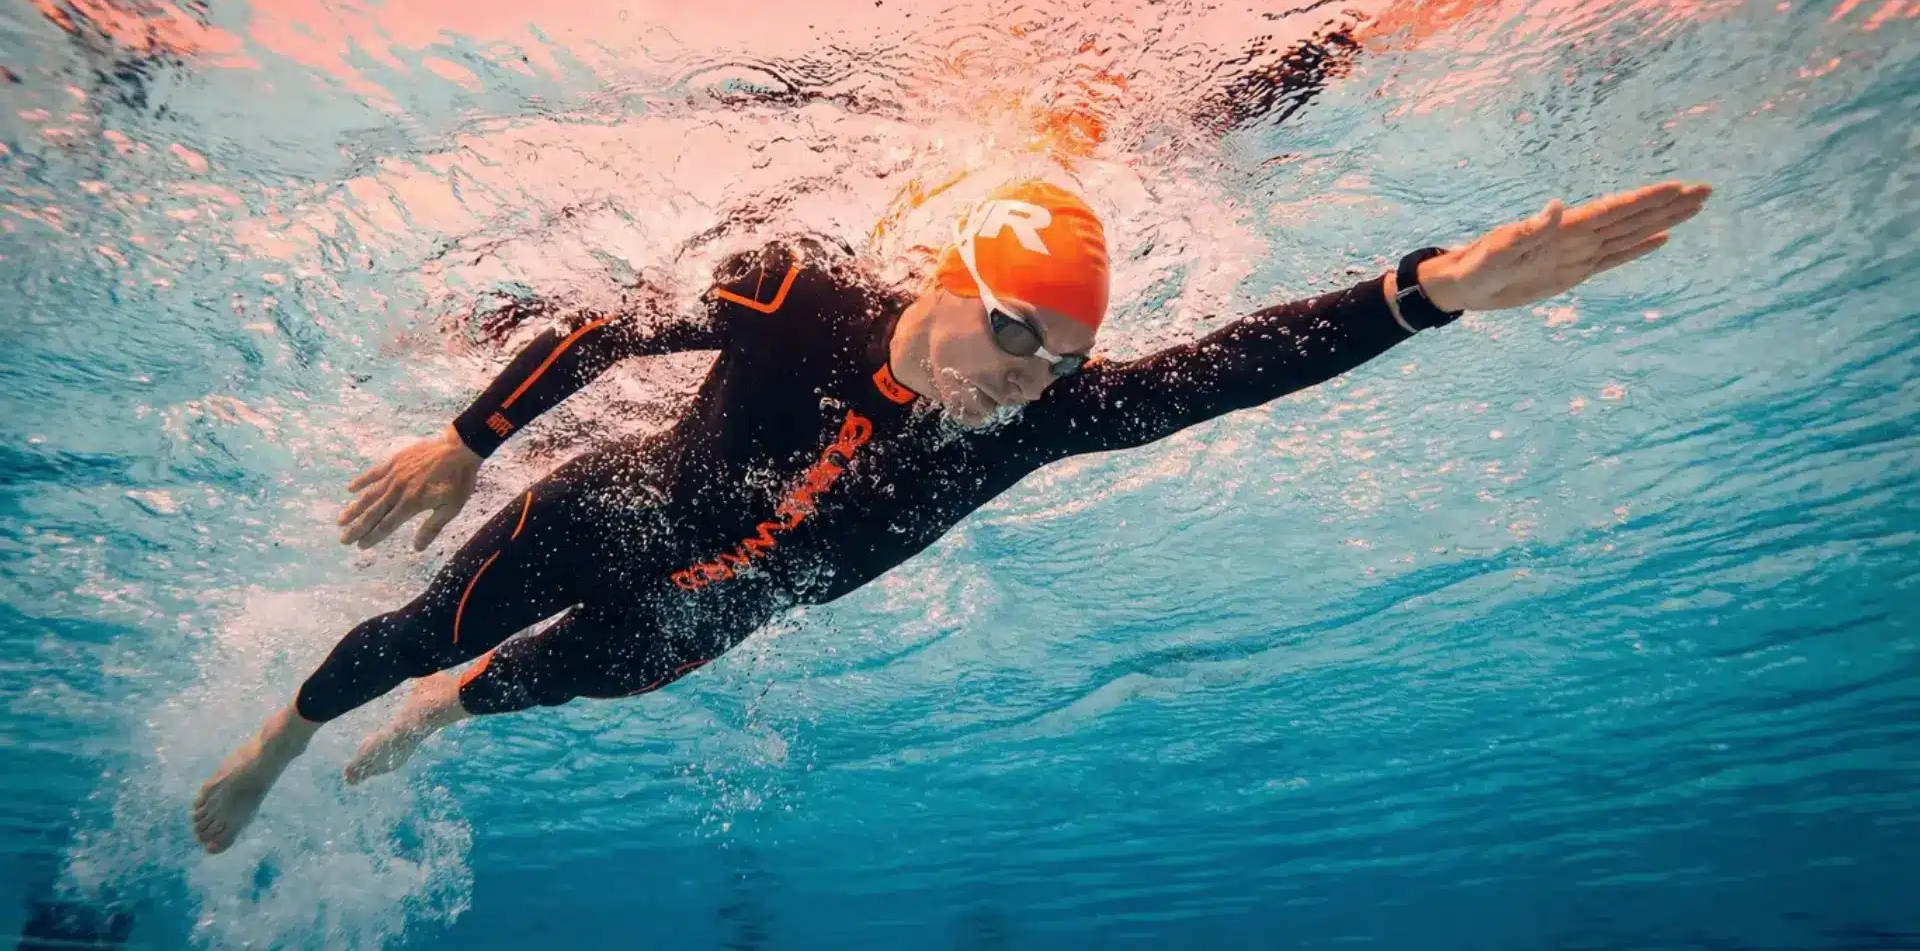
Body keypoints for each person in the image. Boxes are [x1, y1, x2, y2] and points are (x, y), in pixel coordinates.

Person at [191, 175, 1711, 853]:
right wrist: (469, 439)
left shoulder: (1040, 419)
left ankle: (448, 716)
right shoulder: (801, 291)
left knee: (528, 688)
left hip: (710, 616)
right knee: (407, 638)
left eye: (1065, 357)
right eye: (1017, 332)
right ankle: (282, 740)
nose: (1033, 376)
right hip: (609, 517)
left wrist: (1431, 290)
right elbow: (614, 326)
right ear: (951, 279)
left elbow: (1235, 370)